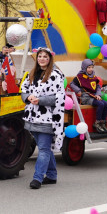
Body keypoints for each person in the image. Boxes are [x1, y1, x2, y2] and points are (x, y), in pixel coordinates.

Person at [21, 47, 65, 189]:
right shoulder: (32, 73)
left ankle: (37, 178)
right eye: (40, 56)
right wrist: (28, 97)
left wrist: (40, 100)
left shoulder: (56, 75)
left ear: (50, 58)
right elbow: (24, 90)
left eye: (45, 56)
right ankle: (52, 175)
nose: (42, 59)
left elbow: (59, 98)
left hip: (48, 118)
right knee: (44, 147)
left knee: (44, 149)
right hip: (32, 118)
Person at [70, 59, 107, 133]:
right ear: (84, 68)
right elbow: (72, 84)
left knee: (106, 104)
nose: (91, 69)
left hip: (94, 96)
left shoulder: (93, 76)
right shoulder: (80, 76)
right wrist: (78, 91)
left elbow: (97, 87)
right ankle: (97, 123)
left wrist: (98, 94)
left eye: (92, 67)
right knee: (100, 104)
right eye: (89, 67)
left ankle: (102, 122)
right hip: (86, 97)